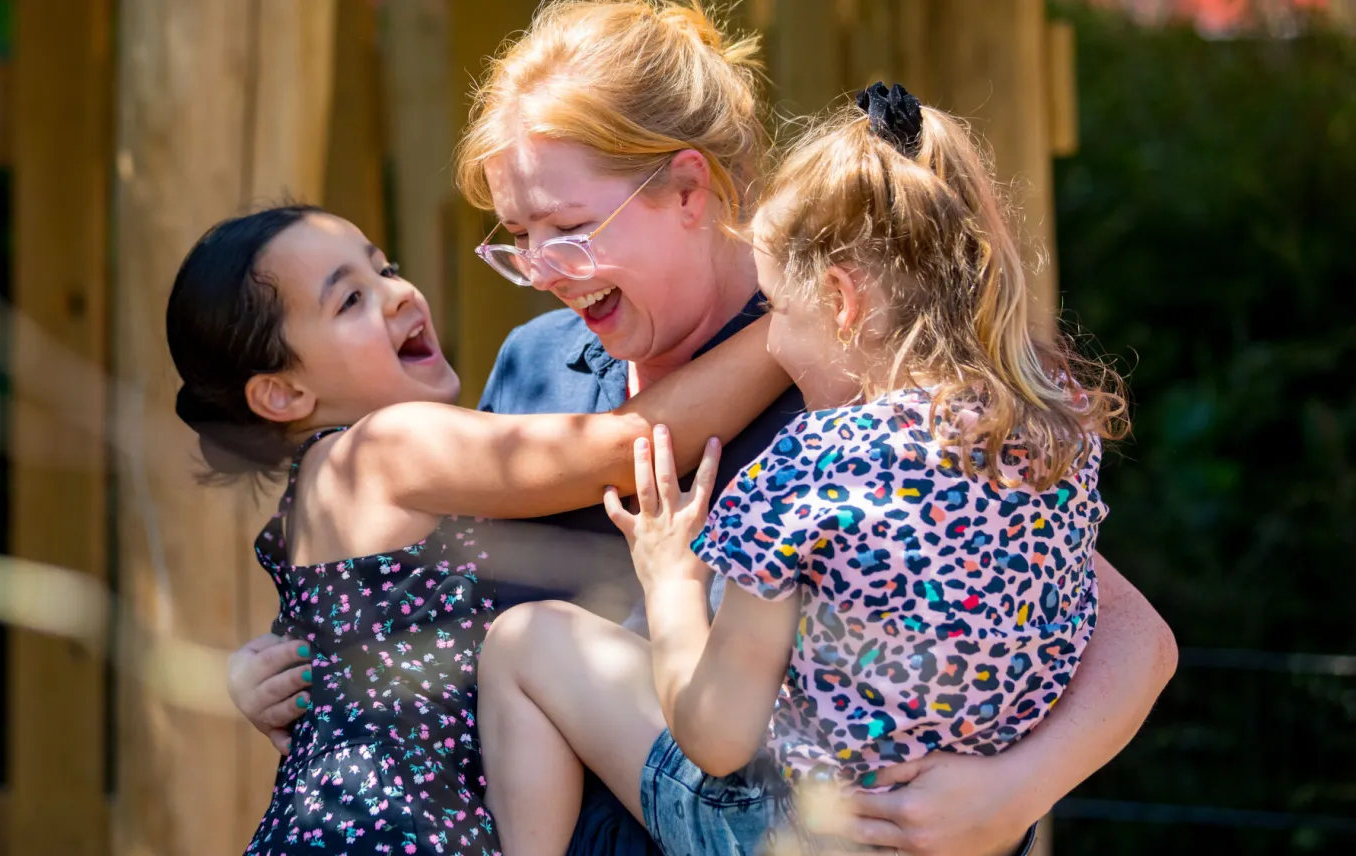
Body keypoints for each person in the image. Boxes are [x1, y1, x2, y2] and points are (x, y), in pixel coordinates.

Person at [226, 3, 1178, 854]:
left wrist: (1016, 790)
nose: (543, 268)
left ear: (689, 189)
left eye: (567, 228)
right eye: (517, 237)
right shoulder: (535, 365)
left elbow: (1125, 628)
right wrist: (297, 667)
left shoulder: (846, 369)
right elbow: (453, 619)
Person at [478, 82, 1136, 856]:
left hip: (792, 832)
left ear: (840, 302)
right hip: (945, 833)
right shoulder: (1049, 440)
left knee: (523, 641)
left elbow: (716, 738)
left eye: (777, 313)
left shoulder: (805, 471)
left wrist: (671, 581)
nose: (774, 347)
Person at [167, 204, 792, 855]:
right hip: (392, 834)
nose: (397, 294)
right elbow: (623, 445)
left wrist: (253, 677)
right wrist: (798, 320)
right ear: (284, 394)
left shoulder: (324, 494)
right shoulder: (383, 448)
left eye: (386, 269)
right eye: (350, 299)